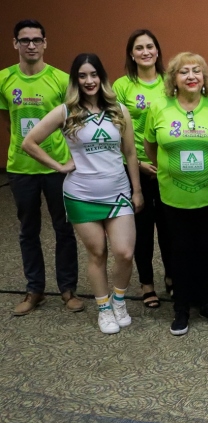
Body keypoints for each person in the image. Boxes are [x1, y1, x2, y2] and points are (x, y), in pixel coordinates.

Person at [22, 53, 143, 334]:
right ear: (75, 80)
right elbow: (29, 142)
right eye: (82, 76)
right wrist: (59, 166)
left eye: (94, 74)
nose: (89, 81)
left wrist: (137, 190)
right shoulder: (66, 111)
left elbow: (130, 152)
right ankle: (104, 309)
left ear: (102, 77)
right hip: (81, 195)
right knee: (97, 252)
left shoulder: (119, 110)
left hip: (118, 193)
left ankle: (119, 301)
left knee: (125, 252)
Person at [143, 52, 208, 336]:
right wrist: (167, 168)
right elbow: (150, 145)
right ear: (173, 78)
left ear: (204, 78)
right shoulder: (159, 107)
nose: (191, 76)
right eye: (184, 71)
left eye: (197, 71)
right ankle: (181, 308)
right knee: (179, 253)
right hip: (173, 196)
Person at [0, 19, 81, 315]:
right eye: (25, 40)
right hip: (21, 169)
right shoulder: (4, 79)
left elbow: (73, 123)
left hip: (57, 169)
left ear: (45, 43)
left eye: (36, 40)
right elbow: (9, 121)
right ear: (15, 44)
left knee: (64, 228)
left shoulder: (61, 80)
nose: (31, 45)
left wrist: (70, 161)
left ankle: (68, 289)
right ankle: (35, 290)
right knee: (27, 230)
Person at [114, 29, 171, 309]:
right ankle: (147, 283)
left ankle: (172, 276)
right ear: (132, 54)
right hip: (135, 168)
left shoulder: (170, 82)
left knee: (170, 227)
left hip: (168, 167)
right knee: (143, 228)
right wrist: (137, 164)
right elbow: (115, 132)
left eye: (150, 46)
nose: (146, 52)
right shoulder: (122, 86)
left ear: (157, 51)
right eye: (139, 48)